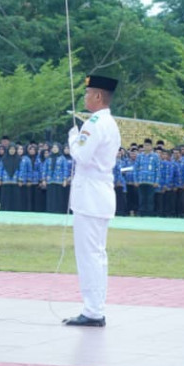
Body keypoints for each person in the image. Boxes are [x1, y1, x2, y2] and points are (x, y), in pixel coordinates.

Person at [63, 74, 121, 328]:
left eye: (88, 94)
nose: (84, 98)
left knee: (89, 256)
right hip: (100, 194)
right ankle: (94, 308)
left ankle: (93, 310)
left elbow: (82, 156)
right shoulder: (110, 123)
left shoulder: (94, 124)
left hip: (90, 196)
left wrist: (72, 139)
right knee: (96, 255)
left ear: (98, 96)